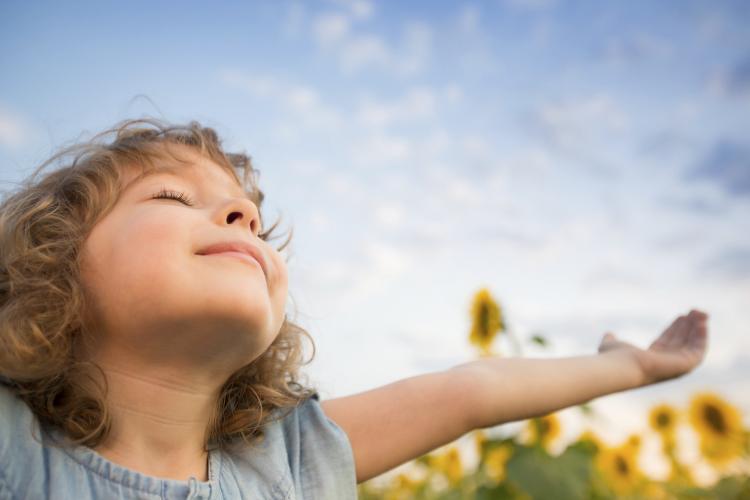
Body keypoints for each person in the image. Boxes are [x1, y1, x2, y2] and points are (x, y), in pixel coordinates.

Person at [0, 117, 709, 499]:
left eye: (245, 215)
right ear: (49, 265)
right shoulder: (20, 456)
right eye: (173, 197)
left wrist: (632, 368)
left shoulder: (288, 461)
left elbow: (472, 392)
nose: (240, 216)